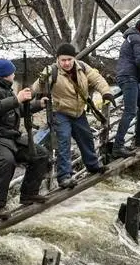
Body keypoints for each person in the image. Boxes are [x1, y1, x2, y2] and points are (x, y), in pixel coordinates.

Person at [0, 59, 50, 219]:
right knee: (6, 161)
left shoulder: (4, 88)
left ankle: (28, 194)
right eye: (13, 72)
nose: (14, 75)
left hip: (8, 137)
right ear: (7, 74)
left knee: (40, 155)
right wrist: (17, 99)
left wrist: (38, 104)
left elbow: (16, 109)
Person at [31, 43, 113, 189]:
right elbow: (36, 88)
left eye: (69, 59)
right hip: (60, 112)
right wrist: (42, 79)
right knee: (64, 141)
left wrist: (106, 93)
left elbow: (97, 80)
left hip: (79, 111)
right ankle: (64, 177)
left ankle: (93, 166)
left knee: (86, 137)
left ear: (74, 58)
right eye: (63, 60)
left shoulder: (82, 67)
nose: (67, 63)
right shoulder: (52, 70)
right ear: (57, 59)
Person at [112, 19, 140, 158]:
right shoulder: (138, 39)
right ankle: (117, 147)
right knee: (130, 111)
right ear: (138, 28)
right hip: (128, 77)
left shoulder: (132, 37)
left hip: (128, 76)